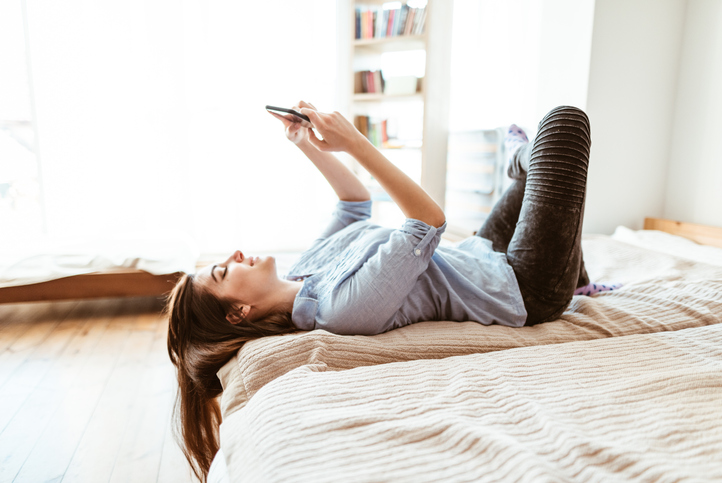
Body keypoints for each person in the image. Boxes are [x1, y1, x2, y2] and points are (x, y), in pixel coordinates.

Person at [165, 100, 618, 481]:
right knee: (563, 127)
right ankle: (561, 256)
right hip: (524, 286)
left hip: (482, 253)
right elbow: (427, 221)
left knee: (536, 166)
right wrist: (356, 144)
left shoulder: (305, 270)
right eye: (223, 271)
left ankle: (529, 179)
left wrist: (308, 145)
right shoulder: (341, 310)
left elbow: (354, 203)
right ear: (239, 312)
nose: (236, 254)